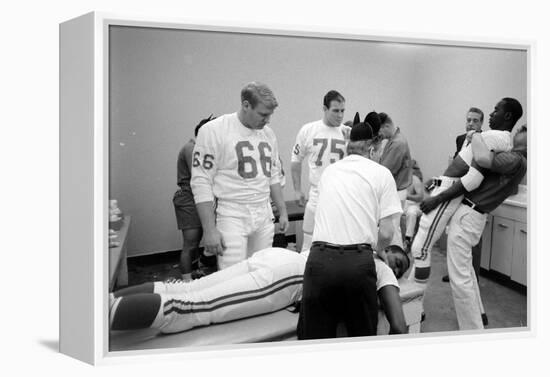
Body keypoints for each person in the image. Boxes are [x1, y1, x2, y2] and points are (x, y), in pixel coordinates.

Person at [109, 246, 410, 335]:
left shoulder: (352, 238)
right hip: (291, 276)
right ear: (386, 252)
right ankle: (93, 320)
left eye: (400, 270)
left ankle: (105, 302)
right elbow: (398, 323)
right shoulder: (379, 268)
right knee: (191, 308)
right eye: (397, 261)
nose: (396, 270)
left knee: (188, 288)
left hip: (278, 257)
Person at [297, 119, 404, 339]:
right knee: (359, 342)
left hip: (317, 263)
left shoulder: (329, 172)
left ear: (349, 147)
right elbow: (386, 232)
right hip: (356, 264)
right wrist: (380, 251)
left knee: (312, 344)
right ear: (373, 149)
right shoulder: (381, 173)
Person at [420, 124, 527, 330]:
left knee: (459, 278)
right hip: (475, 216)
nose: (513, 138)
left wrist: (476, 136)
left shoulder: (514, 158)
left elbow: (482, 159)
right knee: (467, 271)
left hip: (469, 213)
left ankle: (473, 331)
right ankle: (479, 314)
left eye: (519, 135)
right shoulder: (519, 163)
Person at [410, 98, 521, 283]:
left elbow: (473, 178)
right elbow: (455, 168)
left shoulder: (495, 138)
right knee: (422, 248)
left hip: (455, 194)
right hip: (447, 186)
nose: (492, 113)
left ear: (508, 115)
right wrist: (435, 183)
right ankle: (414, 302)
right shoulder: (477, 138)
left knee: (421, 249)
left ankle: (415, 302)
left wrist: (437, 199)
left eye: (496, 110)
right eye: (468, 119)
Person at [191, 82, 289, 270]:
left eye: (270, 115)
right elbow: (201, 181)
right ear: (246, 105)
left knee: (261, 271)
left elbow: (273, 175)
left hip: (263, 210)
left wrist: (282, 210)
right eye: (263, 114)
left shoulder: (268, 134)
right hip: (232, 213)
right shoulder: (214, 131)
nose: (268, 120)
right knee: (232, 275)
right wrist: (210, 230)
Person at [291, 90, 349, 254]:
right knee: (308, 244)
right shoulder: (308, 130)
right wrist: (296, 190)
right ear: (324, 109)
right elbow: (296, 161)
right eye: (335, 111)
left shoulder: (347, 133)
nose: (340, 115)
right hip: (317, 193)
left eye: (343, 111)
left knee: (337, 243)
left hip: (340, 196)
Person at [442, 107, 485, 282]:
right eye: (469, 120)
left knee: (472, 239)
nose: (471, 123)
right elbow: (458, 162)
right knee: (454, 234)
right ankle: (453, 273)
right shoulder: (460, 139)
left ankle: (473, 276)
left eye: (475, 120)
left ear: (481, 123)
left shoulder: (485, 140)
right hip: (458, 190)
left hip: (476, 193)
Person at [173, 115, 215, 277]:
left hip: (198, 198)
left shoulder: (201, 149)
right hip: (189, 199)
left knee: (196, 243)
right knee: (190, 244)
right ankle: (186, 282)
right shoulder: (191, 148)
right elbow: (201, 178)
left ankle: (195, 273)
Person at [378, 112, 413, 249]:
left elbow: (385, 169)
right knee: (394, 229)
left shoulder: (398, 143)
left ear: (386, 126)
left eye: (380, 130)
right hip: (396, 191)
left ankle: (397, 262)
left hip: (397, 192)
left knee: (392, 231)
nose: (380, 134)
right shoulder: (393, 140)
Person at [403, 160, 424, 252]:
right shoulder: (399, 179)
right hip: (402, 204)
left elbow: (420, 197)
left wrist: (407, 196)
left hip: (413, 205)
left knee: (411, 213)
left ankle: (407, 240)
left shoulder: (415, 179)